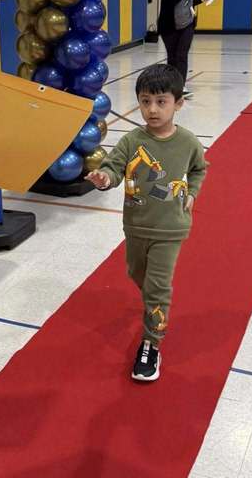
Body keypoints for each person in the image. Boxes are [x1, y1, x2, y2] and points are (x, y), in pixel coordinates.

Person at [85, 64, 207, 382]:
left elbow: (199, 168)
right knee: (135, 273)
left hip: (171, 228)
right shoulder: (131, 141)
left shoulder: (188, 142)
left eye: (161, 101)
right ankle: (154, 304)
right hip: (136, 226)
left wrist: (192, 192)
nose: (152, 109)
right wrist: (104, 178)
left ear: (178, 103)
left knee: (156, 287)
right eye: (145, 101)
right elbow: (113, 168)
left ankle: (151, 344)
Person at [157, 0, 211, 99]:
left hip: (187, 23)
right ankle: (171, 85)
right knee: (172, 57)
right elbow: (169, 3)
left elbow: (186, 3)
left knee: (182, 55)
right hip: (169, 26)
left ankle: (180, 86)